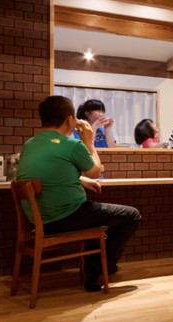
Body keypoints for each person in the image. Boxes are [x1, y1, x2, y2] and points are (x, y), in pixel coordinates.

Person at [18, 95, 141, 291]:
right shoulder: (71, 145)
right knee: (131, 215)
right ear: (70, 120)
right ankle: (97, 270)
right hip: (67, 216)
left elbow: (49, 174)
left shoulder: (30, 145)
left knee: (101, 218)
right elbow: (96, 171)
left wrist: (82, 180)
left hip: (38, 221)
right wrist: (89, 142)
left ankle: (100, 265)